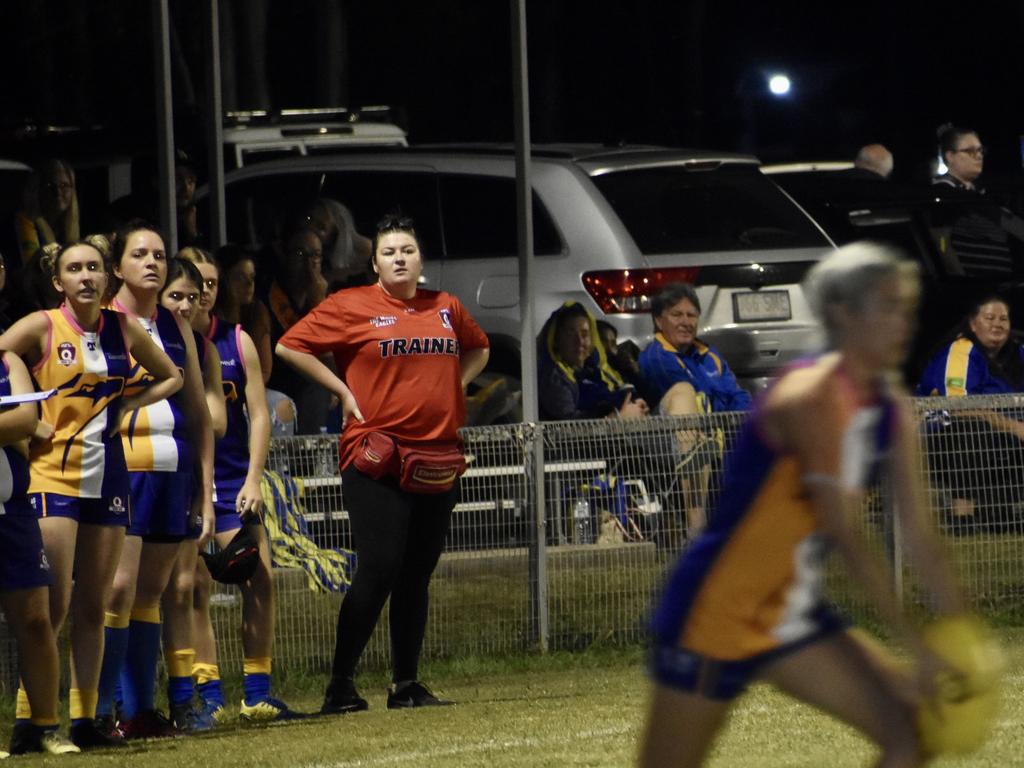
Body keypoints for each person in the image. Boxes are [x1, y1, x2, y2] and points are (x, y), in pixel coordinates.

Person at [638, 242, 969, 768]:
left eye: (907, 307)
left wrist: (960, 633)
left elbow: (923, 536)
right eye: (888, 306)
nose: (904, 322)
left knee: (910, 731)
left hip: (789, 609)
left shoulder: (892, 408)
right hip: (717, 607)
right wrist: (916, 643)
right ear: (842, 312)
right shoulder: (811, 396)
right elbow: (846, 533)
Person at [276, 213, 490, 713]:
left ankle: (405, 685)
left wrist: (455, 384)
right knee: (379, 567)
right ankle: (341, 685)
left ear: (420, 261)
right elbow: (290, 346)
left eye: (408, 251)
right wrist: (341, 390)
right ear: (374, 263)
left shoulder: (445, 307)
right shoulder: (351, 305)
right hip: (377, 453)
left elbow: (478, 348)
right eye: (390, 252)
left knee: (418, 571)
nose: (399, 258)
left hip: (435, 455)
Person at [0, 238, 182, 749]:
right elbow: (2, 351)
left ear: (106, 279)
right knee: (51, 607)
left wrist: (130, 408)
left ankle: (87, 719)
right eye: (74, 269)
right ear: (58, 281)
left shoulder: (122, 328)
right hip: (53, 475)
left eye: (94, 268)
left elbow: (173, 376)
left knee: (95, 604)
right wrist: (25, 420)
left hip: (109, 476)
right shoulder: (42, 324)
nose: (85, 276)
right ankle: (31, 721)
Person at [95, 221, 215, 740]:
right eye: (139, 253)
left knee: (151, 592)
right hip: (124, 469)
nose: (152, 263)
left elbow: (197, 412)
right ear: (117, 266)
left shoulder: (174, 323)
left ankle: (140, 710)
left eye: (160, 255)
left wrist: (205, 489)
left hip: (173, 470)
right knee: (117, 589)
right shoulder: (102, 322)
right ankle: (100, 709)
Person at [180, 245, 299, 723]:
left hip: (233, 481)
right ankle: (208, 695)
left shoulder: (237, 340)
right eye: (196, 285)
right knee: (194, 587)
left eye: (211, 283)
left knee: (261, 575)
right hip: (186, 480)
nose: (205, 293)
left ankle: (257, 692)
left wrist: (254, 477)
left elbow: (258, 415)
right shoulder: (163, 340)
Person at [156, 256, 227, 731]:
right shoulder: (132, 335)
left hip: (181, 474)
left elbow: (214, 420)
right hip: (134, 475)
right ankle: (116, 704)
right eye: (174, 296)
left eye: (190, 296)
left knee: (183, 587)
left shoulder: (202, 349)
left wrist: (205, 493)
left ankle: (188, 697)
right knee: (128, 593)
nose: (184, 304)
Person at [0, 349, 80, 756]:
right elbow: (15, 427)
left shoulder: (8, 361)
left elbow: (27, 421)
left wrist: (18, 428)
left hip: (13, 512)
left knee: (35, 618)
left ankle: (47, 726)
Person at [639, 284, 752, 536]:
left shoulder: (708, 353)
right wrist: (724, 407)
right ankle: (696, 528)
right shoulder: (656, 357)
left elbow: (737, 393)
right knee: (686, 395)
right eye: (676, 315)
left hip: (713, 431)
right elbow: (698, 392)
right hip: (664, 436)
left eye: (691, 315)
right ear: (659, 320)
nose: (686, 322)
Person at [917, 296, 1024, 530]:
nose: (998, 324)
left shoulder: (1017, 353)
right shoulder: (962, 350)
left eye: (1003, 319)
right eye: (989, 318)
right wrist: (1013, 426)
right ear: (973, 324)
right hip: (942, 433)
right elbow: (959, 406)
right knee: (973, 430)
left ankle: (999, 515)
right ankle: (961, 516)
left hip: (999, 434)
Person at [267, 227, 334, 433]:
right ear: (283, 254)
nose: (309, 263)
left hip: (310, 384)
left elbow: (331, 357)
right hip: (279, 379)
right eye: (300, 254)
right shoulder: (267, 296)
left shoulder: (324, 294)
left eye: (315, 255)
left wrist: (318, 302)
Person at [538, 302, 648, 421]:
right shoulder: (554, 376)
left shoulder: (585, 370)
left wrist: (634, 403)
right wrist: (620, 418)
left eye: (585, 335)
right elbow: (569, 428)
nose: (580, 341)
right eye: (570, 334)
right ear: (556, 339)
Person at [14, 159, 81, 267]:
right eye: (50, 186)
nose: (58, 192)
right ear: (37, 189)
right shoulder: (25, 221)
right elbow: (35, 269)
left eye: (64, 186)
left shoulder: (71, 225)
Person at [934, 124, 985, 192]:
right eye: (970, 151)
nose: (979, 156)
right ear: (950, 156)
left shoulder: (980, 190)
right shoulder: (940, 191)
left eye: (979, 150)